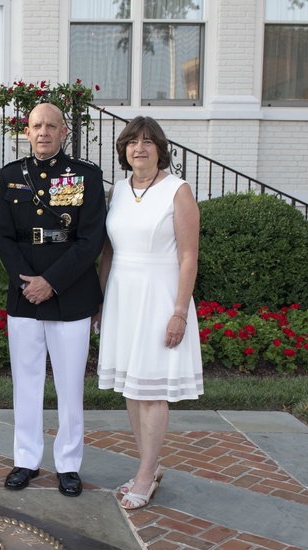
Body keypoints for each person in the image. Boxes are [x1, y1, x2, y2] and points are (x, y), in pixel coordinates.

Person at [0, 102, 107, 497]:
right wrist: (28, 282)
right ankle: (26, 459)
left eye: (51, 126)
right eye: (36, 126)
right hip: (24, 291)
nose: (43, 132)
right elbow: (3, 236)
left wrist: (51, 282)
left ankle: (68, 464)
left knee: (70, 385)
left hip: (70, 291)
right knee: (26, 382)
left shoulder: (85, 175)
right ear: (27, 132)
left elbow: (91, 239)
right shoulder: (11, 176)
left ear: (63, 132)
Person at [95, 116, 204, 510]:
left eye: (147, 142)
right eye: (132, 143)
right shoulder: (118, 191)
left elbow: (189, 256)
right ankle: (149, 465)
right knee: (131, 387)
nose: (139, 148)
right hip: (123, 295)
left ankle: (144, 475)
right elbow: (108, 250)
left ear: (160, 148)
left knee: (153, 390)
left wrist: (179, 312)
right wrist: (103, 300)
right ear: (124, 151)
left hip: (160, 295)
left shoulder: (178, 190)